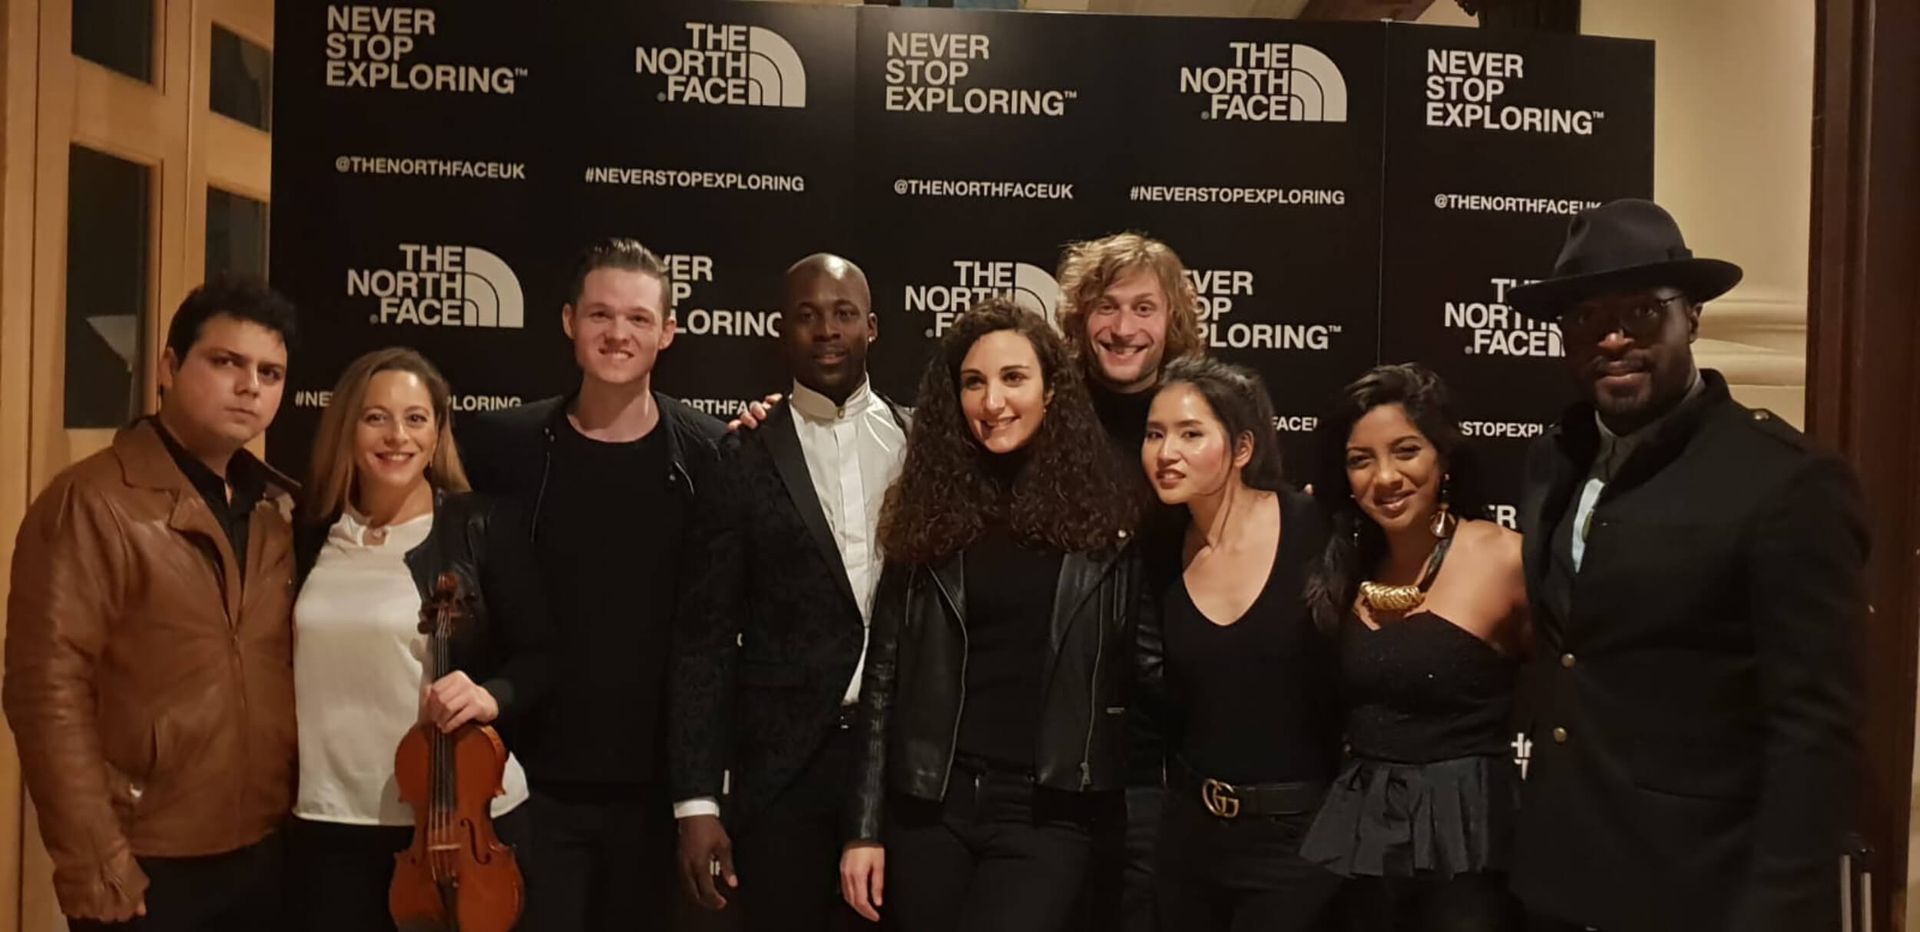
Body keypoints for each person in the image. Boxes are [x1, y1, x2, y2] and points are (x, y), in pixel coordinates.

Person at [1503, 199, 1867, 932]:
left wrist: (1778, 909)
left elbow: (1814, 731)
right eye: (1584, 319)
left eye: (1641, 313)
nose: (1611, 338)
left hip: (1702, 894)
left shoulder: (1785, 482)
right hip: (1557, 883)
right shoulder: (1553, 461)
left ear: (1691, 317)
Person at [838, 298, 1150, 932]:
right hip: (931, 809)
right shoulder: (928, 508)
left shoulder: (1106, 516)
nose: (992, 401)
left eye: (1014, 378)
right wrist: (863, 829)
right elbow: (884, 678)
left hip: (1048, 815)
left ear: (1051, 389)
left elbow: (1139, 672)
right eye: (974, 382)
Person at [4, 276, 298, 930]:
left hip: (266, 852)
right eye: (227, 362)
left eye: (270, 372)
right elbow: (44, 688)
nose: (250, 386)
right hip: (146, 859)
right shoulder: (93, 500)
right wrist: (94, 859)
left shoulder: (278, 512)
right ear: (168, 366)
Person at [457, 237, 727, 930]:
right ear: (569, 321)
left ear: (668, 332)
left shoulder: (710, 453)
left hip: (653, 797)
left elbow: (714, 630)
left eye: (638, 318)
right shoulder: (499, 447)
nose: (618, 333)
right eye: (601, 314)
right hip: (523, 788)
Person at [671, 254, 904, 930]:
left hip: (901, 767)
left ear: (873, 327)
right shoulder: (741, 454)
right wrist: (696, 803)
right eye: (807, 316)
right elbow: (703, 636)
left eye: (843, 314)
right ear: (782, 331)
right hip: (781, 773)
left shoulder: (922, 443)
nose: (826, 330)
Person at [286, 347, 550, 930]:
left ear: (436, 435)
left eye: (415, 418)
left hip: (459, 823)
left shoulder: (481, 527)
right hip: (329, 820)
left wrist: (490, 695)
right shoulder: (306, 534)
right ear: (347, 429)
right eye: (375, 417)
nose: (396, 435)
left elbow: (541, 656)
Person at [1297, 364, 1528, 931]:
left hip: (1469, 841)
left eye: (1406, 451)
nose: (1386, 477)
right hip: (1364, 840)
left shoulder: (1504, 557)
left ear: (1443, 458)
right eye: (1360, 460)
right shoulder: (1344, 565)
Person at [1140, 357, 1342, 932]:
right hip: (1189, 841)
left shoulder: (1313, 527)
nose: (1166, 452)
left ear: (1243, 448)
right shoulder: (1157, 550)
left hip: (1297, 842)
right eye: (1155, 434)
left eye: (1190, 433)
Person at [1053, 231, 1206, 932]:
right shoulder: (1046, 418)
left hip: (1158, 755)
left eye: (1144, 308)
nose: (1123, 328)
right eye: (1106, 307)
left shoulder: (1207, 420)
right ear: (1080, 318)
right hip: (1051, 745)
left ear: (1173, 320)